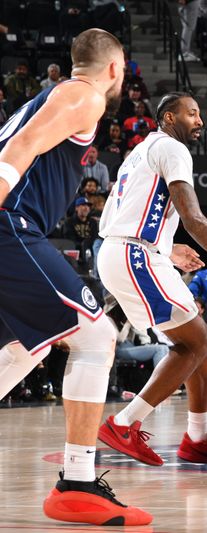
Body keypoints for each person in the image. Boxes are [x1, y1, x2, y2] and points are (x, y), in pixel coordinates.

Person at [0, 29, 151, 526]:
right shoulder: (82, 95)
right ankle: (77, 482)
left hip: (15, 229)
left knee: (30, 345)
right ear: (115, 68)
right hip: (10, 227)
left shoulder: (56, 98)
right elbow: (19, 147)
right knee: (96, 339)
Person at [96, 93, 207, 473]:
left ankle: (198, 440)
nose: (200, 121)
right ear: (169, 117)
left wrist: (167, 249)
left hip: (129, 252)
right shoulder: (172, 148)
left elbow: (127, 215)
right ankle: (124, 425)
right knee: (198, 342)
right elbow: (194, 217)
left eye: (201, 113)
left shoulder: (140, 150)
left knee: (198, 337)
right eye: (192, 113)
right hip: (135, 256)